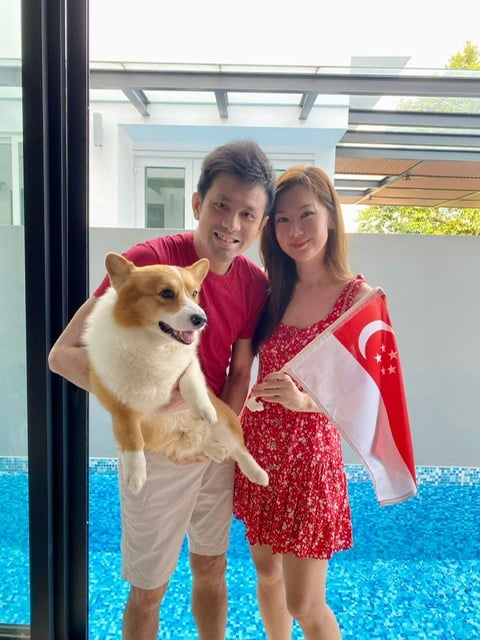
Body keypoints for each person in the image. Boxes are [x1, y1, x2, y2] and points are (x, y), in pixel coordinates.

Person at [48, 139, 275, 640]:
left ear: (260, 224)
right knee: (150, 590)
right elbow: (63, 356)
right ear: (197, 203)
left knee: (213, 568)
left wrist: (216, 437)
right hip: (156, 446)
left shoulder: (254, 285)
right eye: (221, 205)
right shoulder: (147, 263)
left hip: (209, 441)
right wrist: (152, 397)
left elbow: (238, 374)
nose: (231, 225)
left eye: (247, 215)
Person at [233, 166, 372, 640]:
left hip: (310, 462)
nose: (295, 231)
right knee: (266, 574)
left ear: (331, 217)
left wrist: (305, 400)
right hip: (260, 454)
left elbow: (366, 394)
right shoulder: (273, 292)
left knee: (306, 604)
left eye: (307, 215)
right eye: (282, 219)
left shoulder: (359, 298)